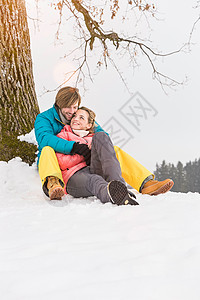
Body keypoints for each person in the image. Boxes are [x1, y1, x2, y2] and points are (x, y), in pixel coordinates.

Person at [34, 86, 174, 200]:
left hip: (86, 164)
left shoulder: (79, 116)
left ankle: (144, 183)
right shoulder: (44, 118)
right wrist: (74, 147)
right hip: (61, 166)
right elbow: (45, 139)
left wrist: (93, 146)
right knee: (47, 150)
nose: (72, 112)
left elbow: (101, 134)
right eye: (67, 107)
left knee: (113, 148)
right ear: (59, 104)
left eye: (75, 107)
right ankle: (53, 183)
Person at [55, 106, 139, 205]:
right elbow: (61, 162)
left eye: (81, 118)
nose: (75, 119)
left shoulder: (93, 138)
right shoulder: (63, 136)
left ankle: (119, 186)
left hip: (92, 169)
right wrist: (83, 153)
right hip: (73, 177)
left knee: (101, 136)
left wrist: (92, 150)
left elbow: (107, 157)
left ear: (89, 125)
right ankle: (112, 196)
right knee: (95, 180)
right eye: (74, 116)